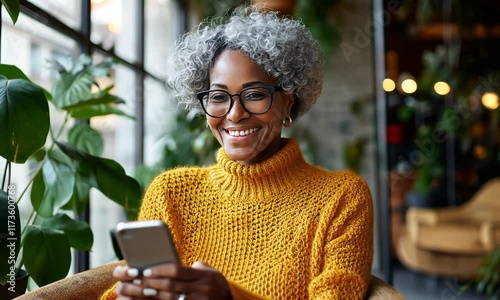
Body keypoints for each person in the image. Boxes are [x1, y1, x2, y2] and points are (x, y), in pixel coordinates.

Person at [101, 5, 373, 300]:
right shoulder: (171, 193)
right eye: (218, 97)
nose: (235, 114)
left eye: (255, 95)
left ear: (288, 103)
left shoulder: (341, 198)